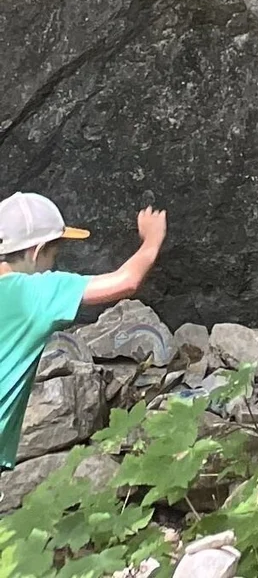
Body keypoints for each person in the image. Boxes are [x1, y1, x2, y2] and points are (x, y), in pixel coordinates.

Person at [1, 196, 167, 470]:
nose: (53, 265)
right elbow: (126, 281)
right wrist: (152, 239)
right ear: (36, 251)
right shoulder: (35, 292)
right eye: (53, 255)